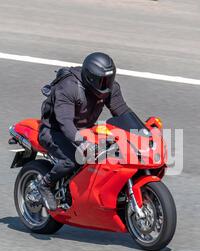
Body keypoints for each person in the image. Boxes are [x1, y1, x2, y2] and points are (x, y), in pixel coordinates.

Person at [37, 52, 133, 210]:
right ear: (91, 78)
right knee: (73, 159)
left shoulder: (110, 88)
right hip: (54, 131)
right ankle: (46, 184)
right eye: (103, 81)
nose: (107, 84)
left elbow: (122, 111)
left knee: (115, 152)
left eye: (109, 79)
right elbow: (65, 124)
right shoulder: (69, 87)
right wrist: (84, 143)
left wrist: (143, 131)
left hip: (85, 129)